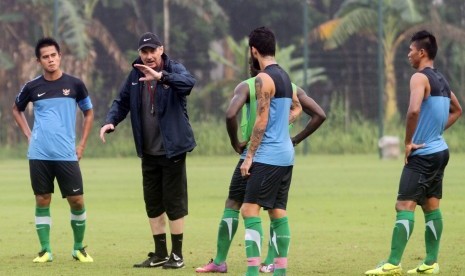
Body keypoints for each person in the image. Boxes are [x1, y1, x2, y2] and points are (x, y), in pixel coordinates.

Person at [195, 58, 326, 274]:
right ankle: (266, 262)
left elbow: (230, 114)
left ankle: (238, 263)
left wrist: (235, 142)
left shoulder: (246, 85)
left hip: (258, 155)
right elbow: (316, 113)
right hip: (274, 154)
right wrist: (292, 137)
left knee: (245, 208)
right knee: (262, 207)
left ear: (254, 64)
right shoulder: (290, 86)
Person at [365, 30, 461, 275]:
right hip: (440, 152)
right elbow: (457, 110)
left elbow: (413, 111)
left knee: (403, 205)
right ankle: (431, 262)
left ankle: (393, 263)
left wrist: (409, 142)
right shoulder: (441, 79)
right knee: (431, 207)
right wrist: (435, 132)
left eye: (410, 49)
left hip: (423, 154)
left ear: (422, 52)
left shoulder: (419, 78)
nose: (407, 54)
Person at [99, 32, 196, 269]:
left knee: (173, 203)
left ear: (161, 50)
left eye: (153, 51)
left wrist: (161, 76)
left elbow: (189, 84)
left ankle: (177, 255)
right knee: (152, 203)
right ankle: (160, 253)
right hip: (148, 151)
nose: (149, 56)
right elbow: (121, 102)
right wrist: (111, 121)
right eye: (144, 52)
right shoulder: (134, 75)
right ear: (140, 53)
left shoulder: (174, 69)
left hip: (172, 150)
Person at [12, 37, 94, 263]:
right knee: (42, 199)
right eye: (45, 57)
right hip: (39, 154)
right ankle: (45, 250)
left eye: (53, 55)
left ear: (60, 56)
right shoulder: (32, 87)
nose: (50, 60)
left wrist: (82, 144)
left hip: (67, 154)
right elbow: (16, 109)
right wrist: (29, 135)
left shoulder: (75, 85)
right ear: (39, 61)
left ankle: (78, 248)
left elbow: (89, 113)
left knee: (77, 200)